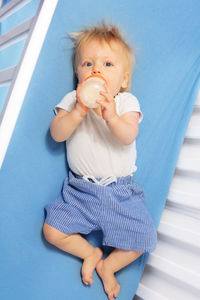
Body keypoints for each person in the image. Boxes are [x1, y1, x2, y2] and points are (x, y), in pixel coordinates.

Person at [43, 21, 157, 300]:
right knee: (51, 231)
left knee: (144, 240)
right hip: (80, 191)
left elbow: (128, 135)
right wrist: (78, 112)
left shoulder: (126, 102)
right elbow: (57, 134)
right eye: (88, 64)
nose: (96, 70)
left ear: (124, 80)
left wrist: (111, 116)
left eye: (108, 64)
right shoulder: (72, 100)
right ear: (78, 75)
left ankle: (109, 266)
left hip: (121, 192)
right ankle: (90, 251)